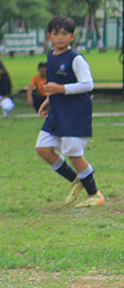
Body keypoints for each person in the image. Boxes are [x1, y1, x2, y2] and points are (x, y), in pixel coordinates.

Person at [35, 15, 103, 208]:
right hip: (58, 110)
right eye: (56, 34)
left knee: (74, 153)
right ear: (49, 35)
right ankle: (78, 180)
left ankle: (95, 194)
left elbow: (88, 84)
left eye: (65, 34)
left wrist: (61, 90)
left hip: (75, 113)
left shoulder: (76, 59)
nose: (60, 38)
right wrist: (49, 99)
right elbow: (55, 84)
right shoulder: (51, 56)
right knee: (43, 149)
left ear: (72, 36)